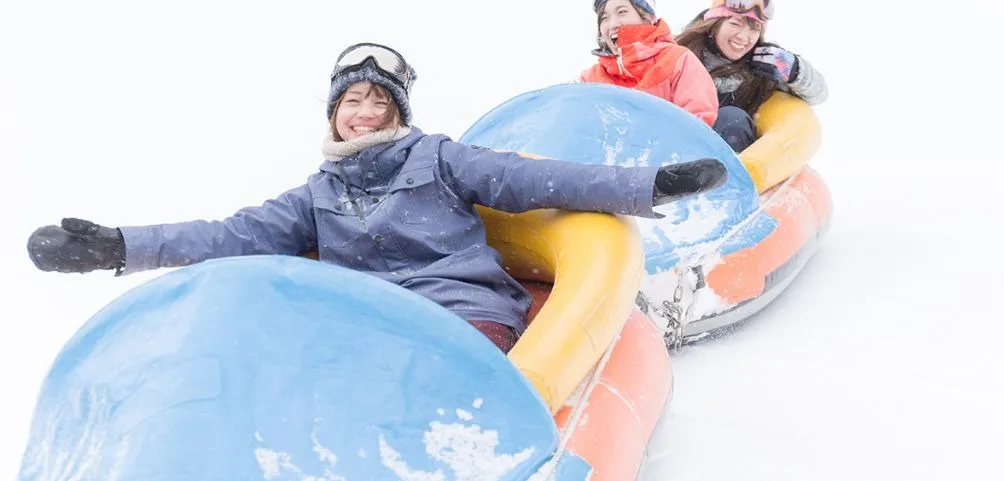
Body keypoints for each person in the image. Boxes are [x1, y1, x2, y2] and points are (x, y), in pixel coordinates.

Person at [27, 42, 728, 354]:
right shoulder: (317, 194)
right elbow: (225, 235)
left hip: (461, 312)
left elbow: (540, 181)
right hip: (367, 322)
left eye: (377, 100)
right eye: (351, 100)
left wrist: (650, 184)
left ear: (397, 111)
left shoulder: (440, 157)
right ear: (334, 113)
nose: (362, 111)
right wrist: (115, 246)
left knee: (441, 368)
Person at [675, 0, 828, 152]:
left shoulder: (762, 67)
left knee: (732, 118)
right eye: (735, 24)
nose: (743, 37)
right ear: (715, 23)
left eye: (754, 29)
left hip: (728, 157)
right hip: (674, 148)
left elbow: (819, 94)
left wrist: (794, 70)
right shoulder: (678, 54)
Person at [580, 0, 719, 127]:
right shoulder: (590, 78)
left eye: (622, 12)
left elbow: (697, 123)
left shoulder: (677, 60)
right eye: (604, 18)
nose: (612, 24)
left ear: (647, 17)